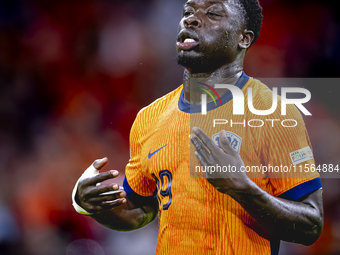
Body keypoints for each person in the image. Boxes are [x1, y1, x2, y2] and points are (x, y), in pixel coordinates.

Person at [72, 0, 324, 254]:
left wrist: (243, 189)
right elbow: (139, 211)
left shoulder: (273, 112)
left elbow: (311, 225)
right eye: (188, 12)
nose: (190, 20)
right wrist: (90, 205)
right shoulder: (149, 118)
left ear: (243, 39)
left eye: (213, 13)